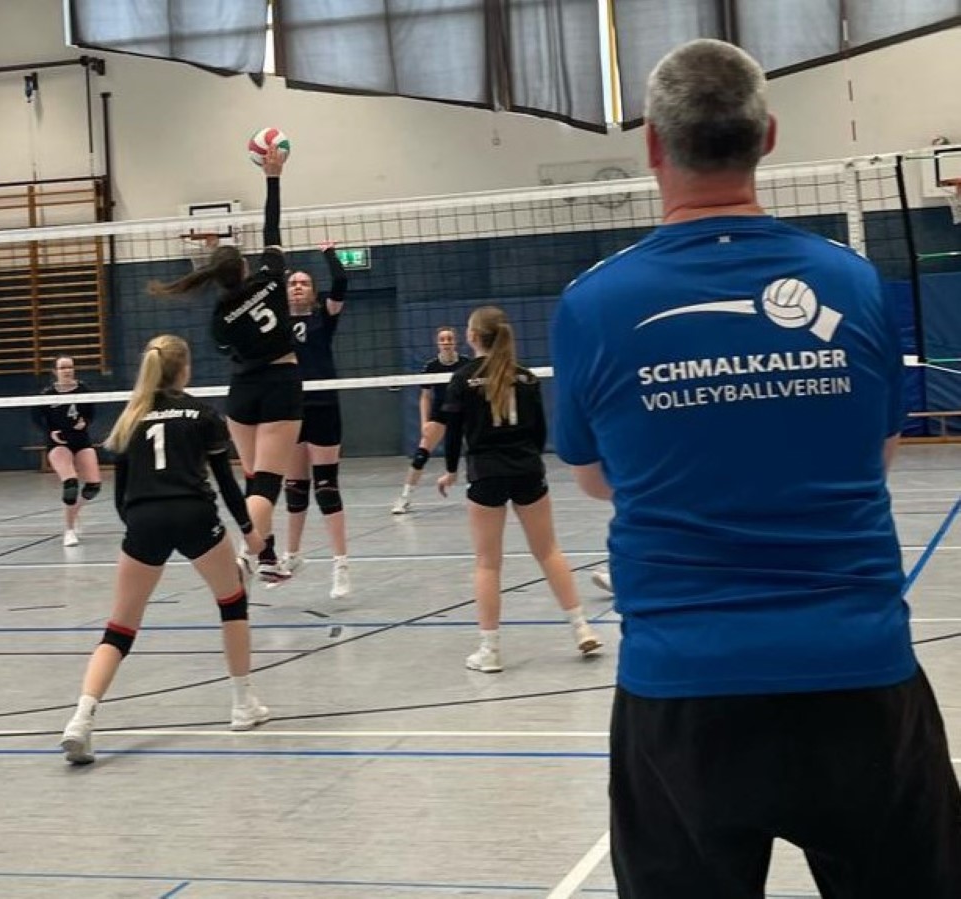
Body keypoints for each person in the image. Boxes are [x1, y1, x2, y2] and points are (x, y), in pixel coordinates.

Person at [551, 38, 960, 898]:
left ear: (652, 144)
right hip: (857, 678)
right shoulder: (852, 282)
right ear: (768, 136)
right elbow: (878, 453)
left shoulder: (592, 304)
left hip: (684, 692)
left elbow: (593, 478)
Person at [59, 335, 270, 765]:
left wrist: (139, 529)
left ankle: (80, 719)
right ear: (185, 369)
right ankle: (242, 705)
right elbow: (227, 484)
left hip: (144, 519)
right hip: (194, 514)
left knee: (119, 629)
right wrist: (250, 533)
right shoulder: (203, 414)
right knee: (232, 601)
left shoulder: (130, 417)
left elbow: (120, 497)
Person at [149, 146, 298, 583]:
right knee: (267, 484)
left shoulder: (219, 318)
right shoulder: (271, 279)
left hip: (242, 393)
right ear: (245, 266)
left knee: (254, 478)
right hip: (281, 384)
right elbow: (272, 226)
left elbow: (229, 348)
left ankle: (267, 559)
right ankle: (244, 560)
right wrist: (273, 177)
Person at [430, 307, 602, 672]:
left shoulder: (462, 378)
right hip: (527, 469)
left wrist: (450, 471)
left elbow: (453, 433)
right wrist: (529, 461)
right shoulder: (526, 378)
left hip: (486, 473)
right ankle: (581, 628)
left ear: (472, 336)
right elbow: (540, 432)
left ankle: (489, 651)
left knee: (487, 563)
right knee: (549, 550)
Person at [281, 242, 351, 599]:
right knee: (295, 487)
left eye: (304, 283)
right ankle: (293, 555)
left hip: (323, 403)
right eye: (293, 283)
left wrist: (329, 254)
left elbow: (341, 283)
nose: (298, 286)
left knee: (326, 486)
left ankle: (341, 564)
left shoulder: (324, 315)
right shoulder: (276, 322)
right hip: (290, 406)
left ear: (313, 291)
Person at [392, 327, 469, 514]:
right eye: (443, 339)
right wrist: (424, 423)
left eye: (449, 339)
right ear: (437, 343)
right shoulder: (431, 366)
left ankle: (474, 490)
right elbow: (425, 397)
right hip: (440, 414)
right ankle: (405, 497)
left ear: (455, 341)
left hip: (463, 413)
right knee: (421, 455)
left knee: (474, 452)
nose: (446, 342)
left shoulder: (466, 364)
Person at [32, 355, 100, 546]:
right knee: (71, 485)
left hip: (81, 440)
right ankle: (69, 531)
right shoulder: (47, 394)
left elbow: (90, 413)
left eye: (70, 367)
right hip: (59, 442)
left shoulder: (84, 390)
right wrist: (50, 431)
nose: (67, 371)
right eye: (62, 368)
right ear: (55, 371)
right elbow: (37, 417)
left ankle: (74, 512)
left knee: (93, 486)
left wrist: (85, 422)